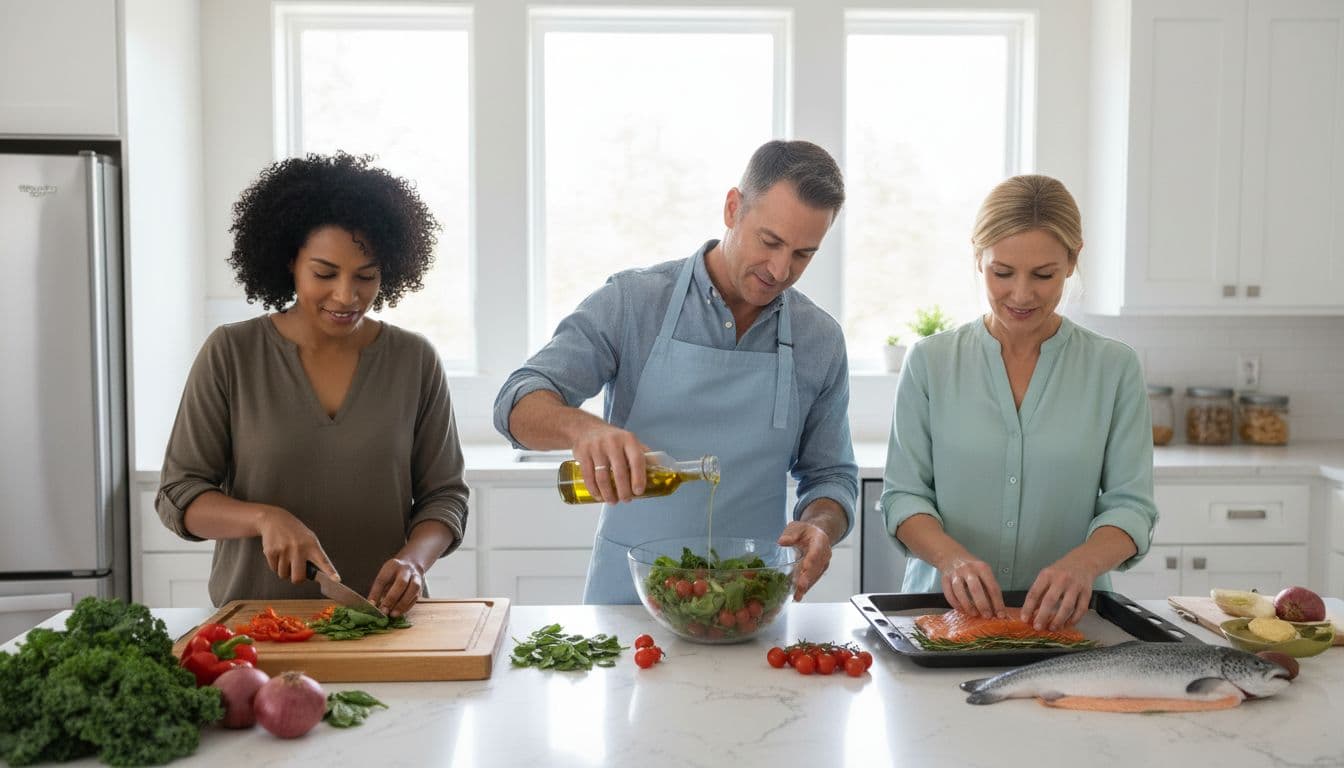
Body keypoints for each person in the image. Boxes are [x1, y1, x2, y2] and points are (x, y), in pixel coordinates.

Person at [494, 140, 859, 604]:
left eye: (803, 254)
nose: (781, 269)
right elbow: (515, 403)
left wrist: (820, 524)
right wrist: (583, 429)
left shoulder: (819, 339)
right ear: (732, 208)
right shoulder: (633, 302)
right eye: (770, 242)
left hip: (746, 604)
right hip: (628, 603)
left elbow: (832, 476)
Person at [156, 152, 468, 617]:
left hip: (383, 626)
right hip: (255, 629)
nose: (347, 295)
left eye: (367, 276)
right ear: (289, 262)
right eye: (325, 273)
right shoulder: (232, 353)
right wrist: (263, 518)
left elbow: (445, 497)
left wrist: (413, 561)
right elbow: (179, 495)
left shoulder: (413, 360)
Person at [880, 174, 1157, 631]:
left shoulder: (1114, 368)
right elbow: (904, 496)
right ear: (978, 258)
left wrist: (1085, 564)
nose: (1022, 294)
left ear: (1072, 261)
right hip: (942, 619)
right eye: (1002, 273)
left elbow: (1132, 506)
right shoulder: (930, 362)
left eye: (1043, 275)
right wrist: (951, 561)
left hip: (1073, 622)